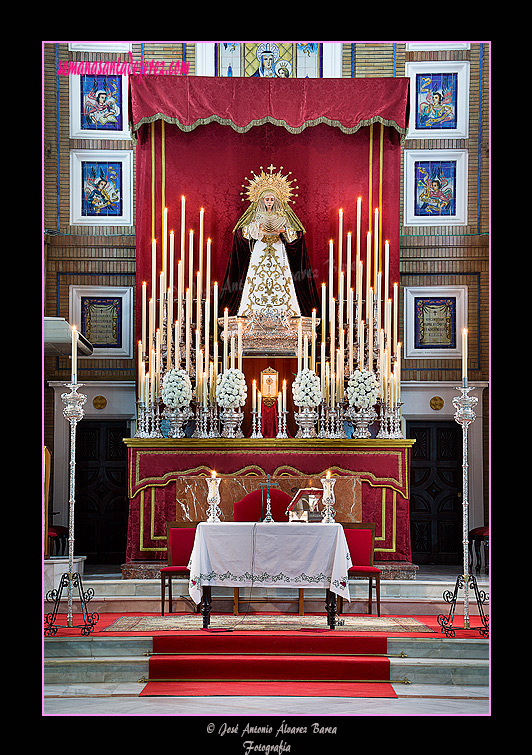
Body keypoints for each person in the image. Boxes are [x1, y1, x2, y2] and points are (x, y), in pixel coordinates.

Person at [219, 166, 320, 318]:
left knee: (281, 277)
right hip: (261, 247)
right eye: (267, 199)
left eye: (272, 199)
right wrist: (257, 229)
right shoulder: (256, 215)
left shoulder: (283, 216)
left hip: (278, 248)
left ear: (276, 200)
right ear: (262, 200)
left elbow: (293, 234)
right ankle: (251, 311)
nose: (269, 202)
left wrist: (284, 232)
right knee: (257, 277)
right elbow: (245, 231)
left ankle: (286, 311)